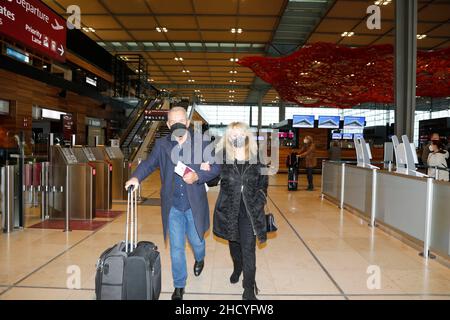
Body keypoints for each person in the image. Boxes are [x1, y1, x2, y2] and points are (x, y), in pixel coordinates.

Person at [125, 107, 220, 300]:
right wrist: (136, 178)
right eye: (173, 122)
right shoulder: (162, 144)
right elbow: (149, 163)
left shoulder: (201, 142)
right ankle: (179, 286)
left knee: (197, 242)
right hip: (173, 205)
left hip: (194, 205)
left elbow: (216, 167)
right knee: (176, 248)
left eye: (181, 121)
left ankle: (200, 258)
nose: (178, 125)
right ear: (168, 125)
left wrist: (198, 175)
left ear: (187, 122)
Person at [213, 122, 269, 300]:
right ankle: (237, 267)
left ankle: (249, 289)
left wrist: (259, 201)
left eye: (239, 133)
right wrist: (203, 171)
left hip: (250, 210)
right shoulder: (221, 157)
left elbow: (263, 184)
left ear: (246, 135)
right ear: (227, 137)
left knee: (248, 248)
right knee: (234, 245)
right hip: (230, 209)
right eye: (232, 134)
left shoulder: (256, 157)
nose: (235, 137)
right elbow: (212, 179)